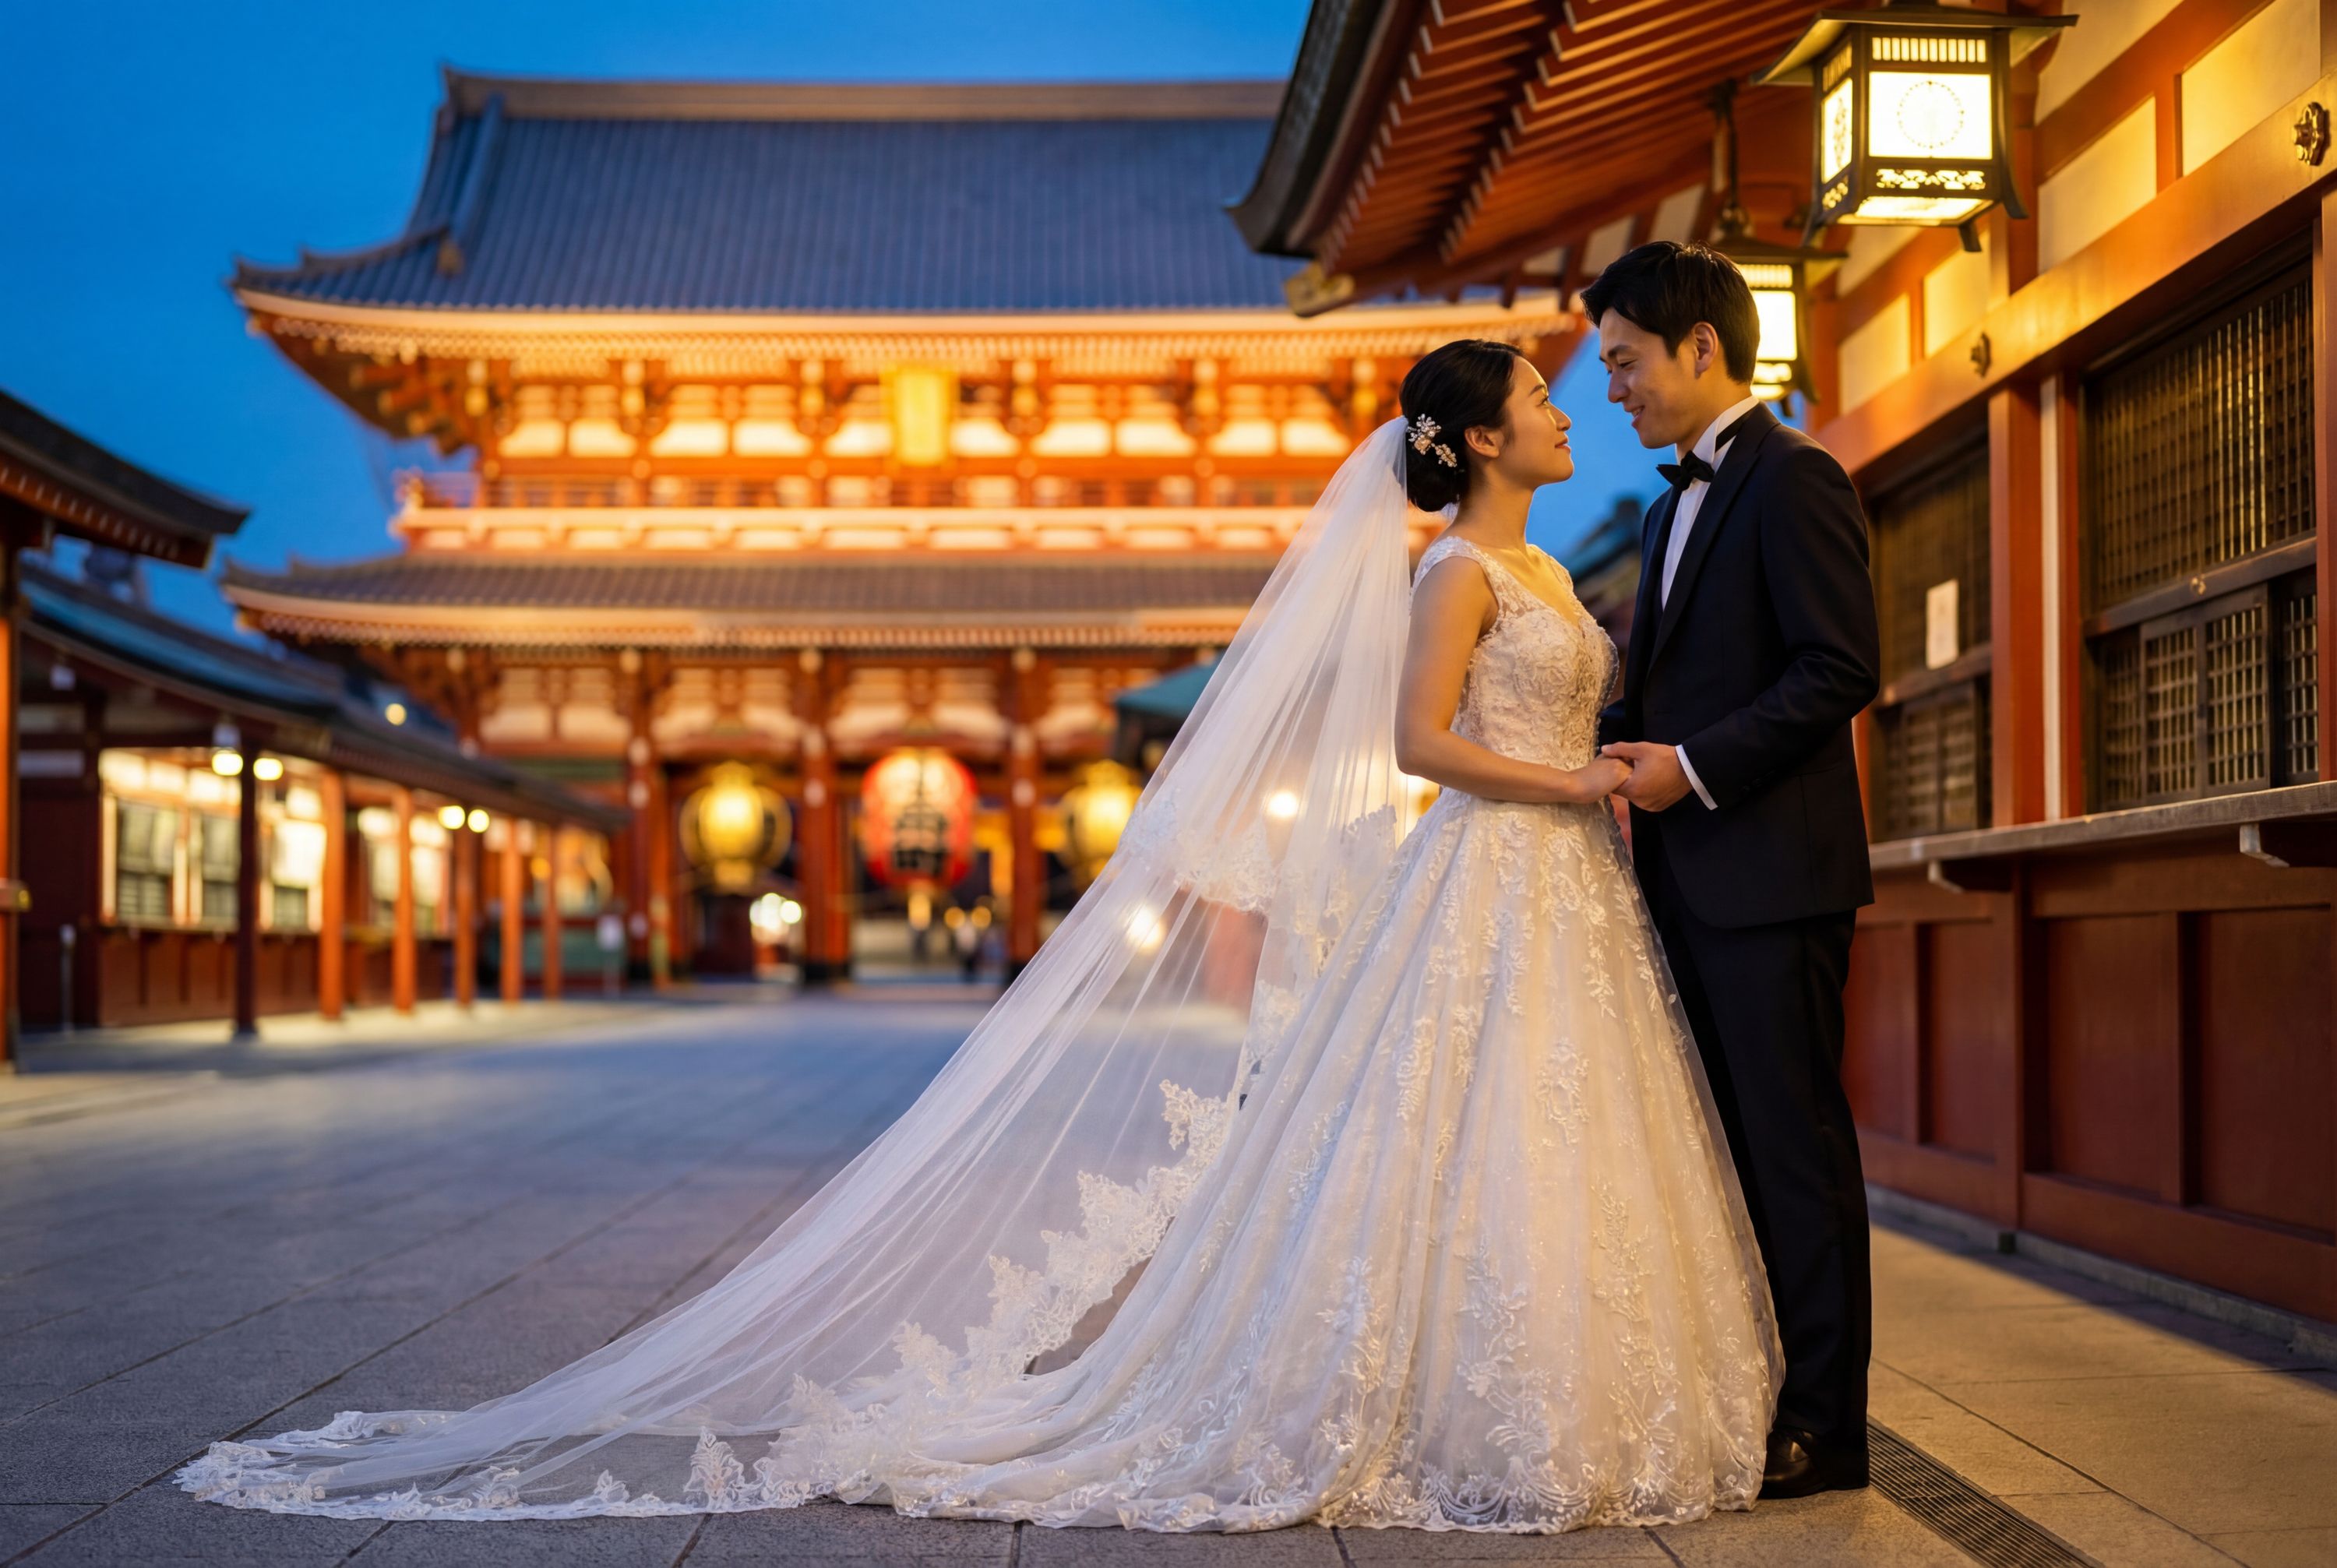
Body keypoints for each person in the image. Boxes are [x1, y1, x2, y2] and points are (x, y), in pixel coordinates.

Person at [179, 341, 1779, 1532]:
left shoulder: (1545, 567)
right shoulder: (1446, 571)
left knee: (1534, 1128)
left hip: (1564, 877)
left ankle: (1541, 1386)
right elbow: (1421, 745)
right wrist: (1576, 774)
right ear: (1487, 436)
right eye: (1546, 394)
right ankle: (1430, 1392)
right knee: (1455, 1118)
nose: (1575, 404)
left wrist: (1616, 764)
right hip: (1501, 858)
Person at [1588, 241, 1882, 1499]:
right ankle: (1756, 1393)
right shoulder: (1664, 507)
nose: (1613, 390)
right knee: (1719, 1158)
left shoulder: (1797, 478)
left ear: (1700, 345)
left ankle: (1828, 1423)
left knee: (1794, 1148)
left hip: (1773, 880)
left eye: (1626, 361)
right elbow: (1653, 681)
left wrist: (1693, 768)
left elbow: (1837, 669)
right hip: (1681, 885)